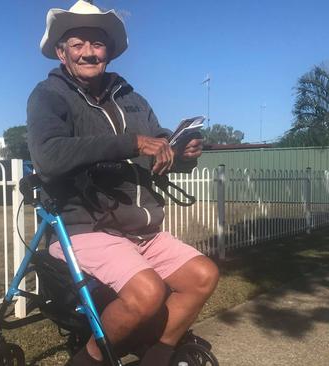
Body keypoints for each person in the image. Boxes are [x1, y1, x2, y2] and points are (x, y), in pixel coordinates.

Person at [26, 1, 219, 365]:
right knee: (147, 293)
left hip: (139, 229)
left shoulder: (131, 98)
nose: (88, 52)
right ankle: (88, 360)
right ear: (60, 52)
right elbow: (49, 156)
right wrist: (131, 143)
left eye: (97, 44)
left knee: (203, 275)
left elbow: (156, 153)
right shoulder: (49, 96)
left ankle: (156, 356)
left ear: (109, 52)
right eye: (77, 43)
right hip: (85, 228)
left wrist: (183, 154)